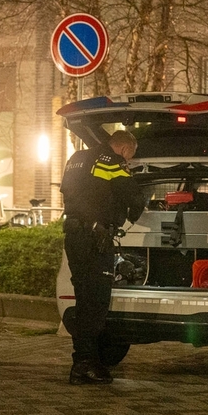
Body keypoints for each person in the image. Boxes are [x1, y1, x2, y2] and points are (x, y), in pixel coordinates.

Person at [60, 130, 145, 385]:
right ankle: (83, 365)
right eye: (129, 157)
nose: (128, 162)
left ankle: (87, 360)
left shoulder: (76, 158)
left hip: (74, 237)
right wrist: (133, 216)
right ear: (125, 149)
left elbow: (70, 191)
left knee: (83, 298)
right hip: (95, 240)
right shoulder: (112, 161)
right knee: (95, 303)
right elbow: (133, 196)